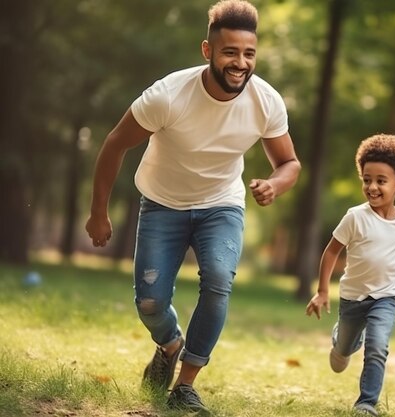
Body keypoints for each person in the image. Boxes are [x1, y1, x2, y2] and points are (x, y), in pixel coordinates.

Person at [85, 0, 301, 412]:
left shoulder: (266, 101)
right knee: (149, 302)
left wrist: (275, 184)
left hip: (221, 204)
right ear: (208, 51)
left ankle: (185, 383)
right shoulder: (168, 95)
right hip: (162, 204)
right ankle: (169, 344)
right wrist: (98, 211)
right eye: (230, 52)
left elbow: (289, 162)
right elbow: (115, 143)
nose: (240, 63)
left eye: (249, 53)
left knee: (219, 279)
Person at [305, 134, 395, 416]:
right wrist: (323, 291)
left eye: (381, 181)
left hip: (387, 296)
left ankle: (366, 403)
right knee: (341, 357)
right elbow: (331, 252)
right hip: (352, 297)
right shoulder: (355, 217)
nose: (372, 187)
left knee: (378, 346)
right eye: (366, 179)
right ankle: (343, 340)